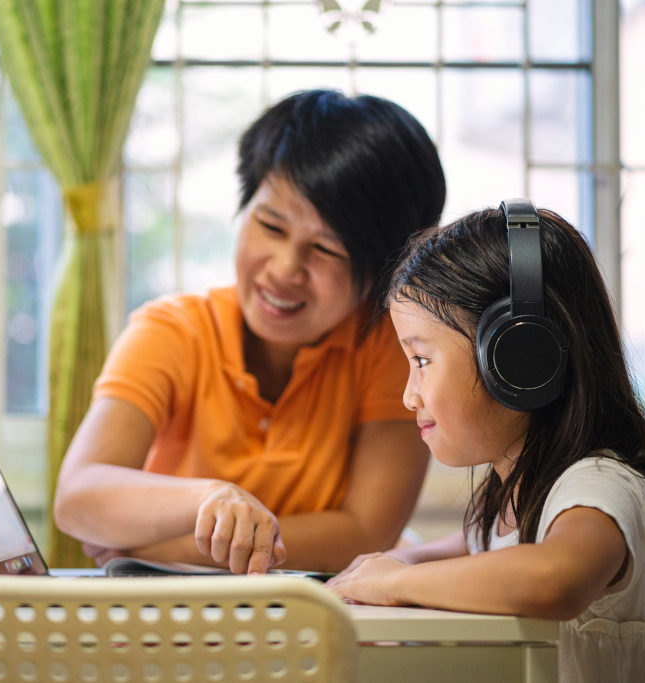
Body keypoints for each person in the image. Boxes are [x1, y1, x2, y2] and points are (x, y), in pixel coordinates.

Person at [53, 90, 447, 576]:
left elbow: (367, 533)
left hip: (307, 628)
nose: (285, 269)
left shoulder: (390, 349)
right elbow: (78, 496)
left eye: (326, 249)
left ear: (385, 269)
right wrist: (212, 499)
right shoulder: (173, 331)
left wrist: (163, 548)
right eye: (271, 226)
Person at [327, 205, 645, 683]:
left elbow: (555, 581)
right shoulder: (515, 489)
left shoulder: (599, 486)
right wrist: (393, 562)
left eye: (421, 359)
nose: (408, 394)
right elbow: (470, 550)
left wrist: (396, 583)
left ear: (519, 358)